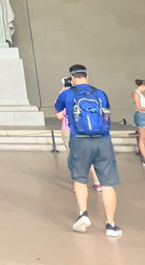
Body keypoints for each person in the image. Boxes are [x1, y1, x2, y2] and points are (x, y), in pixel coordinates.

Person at [54, 64, 122, 238]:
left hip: (80, 140)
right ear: (87, 76)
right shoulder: (100, 93)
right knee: (107, 184)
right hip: (103, 140)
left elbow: (57, 109)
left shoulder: (68, 94)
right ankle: (111, 224)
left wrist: (63, 90)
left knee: (80, 179)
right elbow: (106, 115)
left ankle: (83, 213)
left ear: (72, 78)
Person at [54, 76, 101, 190]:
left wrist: (61, 93)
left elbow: (59, 114)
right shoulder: (86, 97)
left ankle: (79, 185)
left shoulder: (65, 98)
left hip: (69, 130)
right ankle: (98, 182)